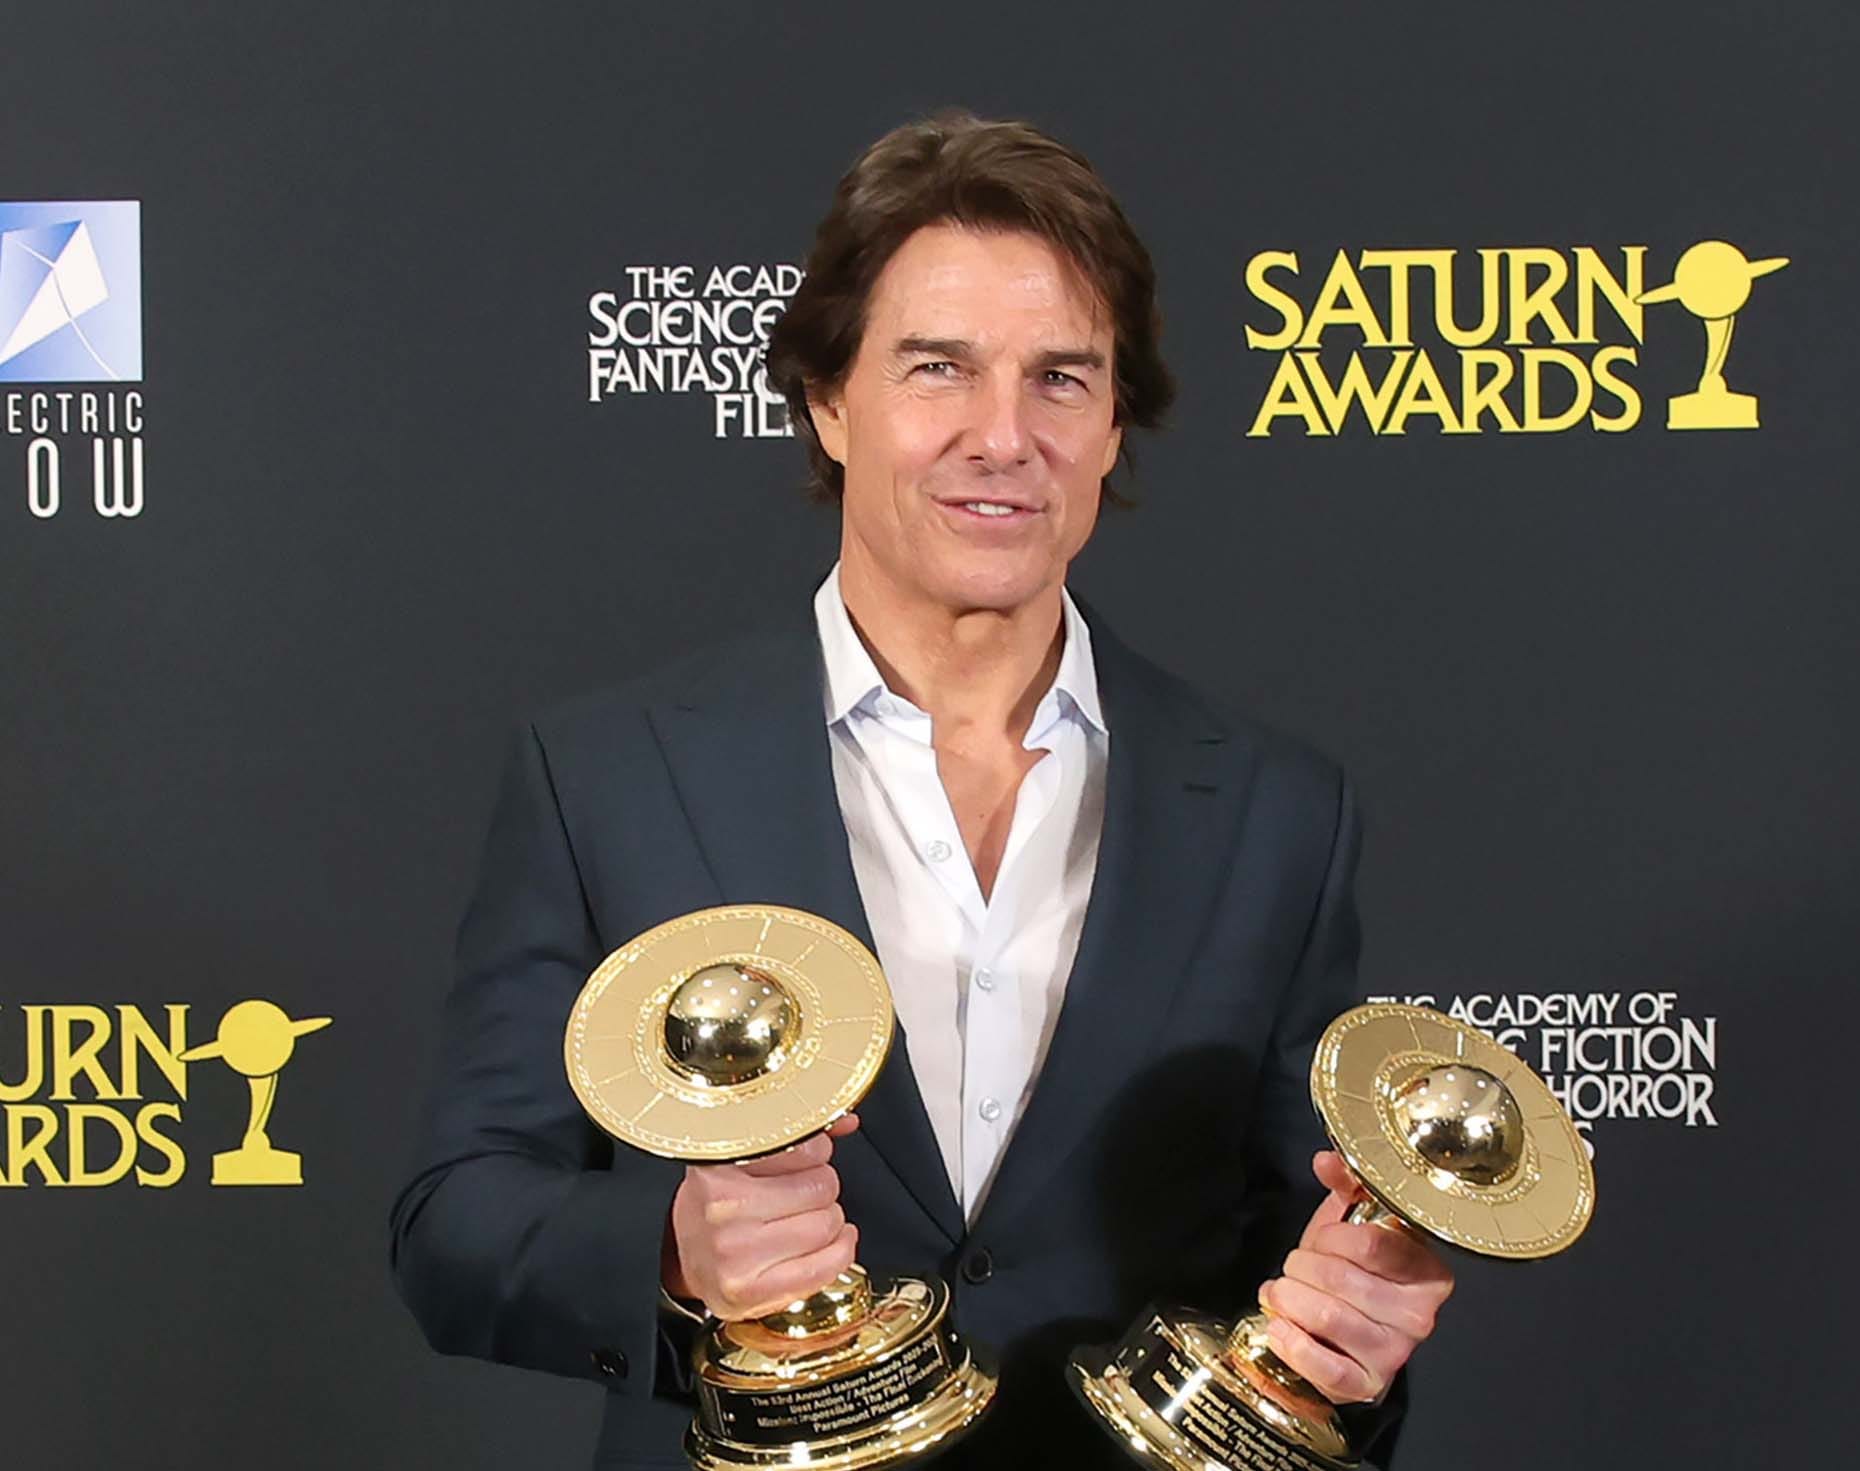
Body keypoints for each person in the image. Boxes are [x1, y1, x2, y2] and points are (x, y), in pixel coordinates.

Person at [390, 109, 1454, 1470]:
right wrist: (672, 1253)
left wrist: (1349, 1347)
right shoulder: (608, 772)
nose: (1003, 437)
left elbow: (1304, 1264)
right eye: (939, 369)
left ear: (1115, 423)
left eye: (1061, 378)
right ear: (829, 402)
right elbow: (455, 1222)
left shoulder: (1276, 811)